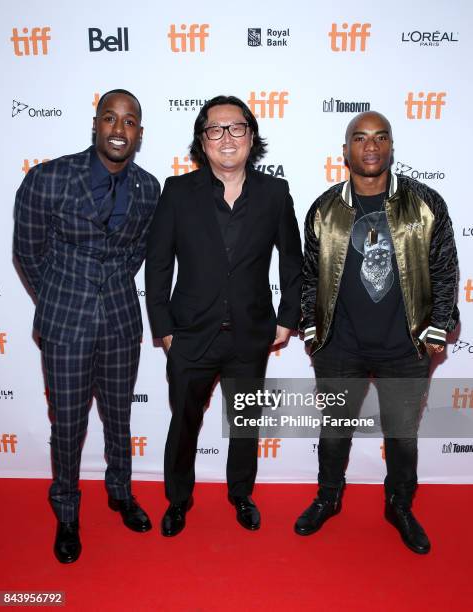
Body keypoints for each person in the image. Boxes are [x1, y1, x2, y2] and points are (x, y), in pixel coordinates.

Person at [295, 111, 459, 554]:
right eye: (359, 138)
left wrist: (435, 332)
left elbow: (445, 272)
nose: (370, 146)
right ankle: (328, 498)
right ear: (344, 150)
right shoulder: (325, 209)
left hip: (405, 346)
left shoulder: (425, 203)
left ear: (390, 147)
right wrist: (313, 331)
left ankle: (399, 505)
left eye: (380, 137)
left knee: (402, 435)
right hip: (339, 345)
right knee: (334, 430)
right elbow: (308, 276)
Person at [145, 95, 302, 536]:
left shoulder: (275, 193)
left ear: (252, 137)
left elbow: (292, 260)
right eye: (215, 129)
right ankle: (178, 500)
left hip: (251, 335)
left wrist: (287, 319)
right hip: (190, 335)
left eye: (236, 128)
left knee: (245, 425)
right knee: (184, 423)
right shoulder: (177, 192)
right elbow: (158, 265)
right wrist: (164, 330)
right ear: (202, 141)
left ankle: (241, 494)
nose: (227, 138)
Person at [14, 89, 160, 563]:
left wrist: (107, 290)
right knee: (69, 424)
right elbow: (28, 253)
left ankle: (120, 493)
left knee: (119, 417)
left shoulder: (149, 188)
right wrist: (59, 298)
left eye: (130, 122)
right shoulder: (48, 179)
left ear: (139, 132)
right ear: (95, 124)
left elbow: (136, 253)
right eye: (111, 119)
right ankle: (67, 512)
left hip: (121, 320)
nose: (120, 130)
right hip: (65, 324)